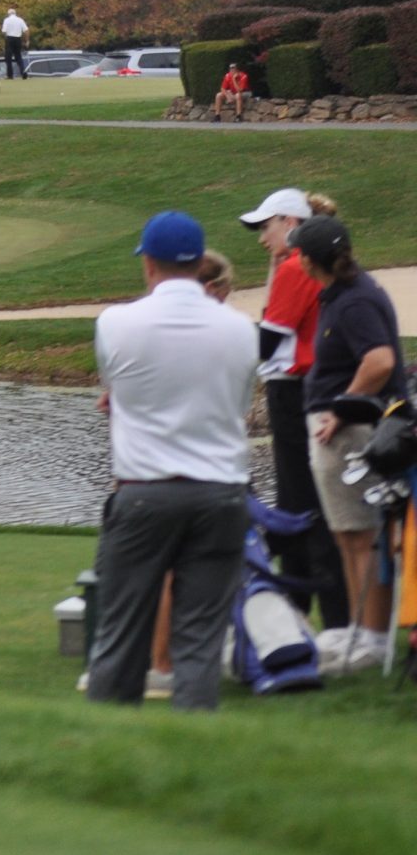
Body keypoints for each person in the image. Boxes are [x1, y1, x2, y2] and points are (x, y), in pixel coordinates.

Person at [86, 211, 258, 710]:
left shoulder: (115, 322)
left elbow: (116, 389)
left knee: (120, 634)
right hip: (221, 494)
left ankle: (103, 752)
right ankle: (192, 748)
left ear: (149, 265)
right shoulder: (242, 330)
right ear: (201, 263)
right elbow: (237, 404)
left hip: (144, 494)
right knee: (199, 641)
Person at [294, 215, 409, 673]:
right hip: (340, 431)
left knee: (364, 536)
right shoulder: (344, 294)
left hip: (353, 432)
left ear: (309, 259)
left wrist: (342, 408)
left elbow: (379, 361)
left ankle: (375, 640)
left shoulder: (355, 300)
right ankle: (361, 629)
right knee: (347, 534)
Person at [245, 188, 351, 632]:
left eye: (266, 227)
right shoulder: (298, 265)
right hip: (309, 388)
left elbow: (267, 342)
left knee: (299, 504)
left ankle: (306, 611)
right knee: (302, 501)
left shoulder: (294, 268)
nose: (260, 238)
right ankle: (307, 609)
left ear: (290, 224)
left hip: (293, 392)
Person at [145, 249, 240, 693]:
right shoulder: (229, 333)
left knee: (179, 569)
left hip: (161, 469)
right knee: (178, 570)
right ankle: (168, 665)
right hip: (197, 471)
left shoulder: (142, 327)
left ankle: (172, 664)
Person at [0, 7, 28, 79]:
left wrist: (6, 38)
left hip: (9, 39)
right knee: (18, 56)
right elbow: (26, 31)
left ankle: (10, 75)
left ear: (8, 14)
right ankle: (23, 72)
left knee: (8, 57)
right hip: (18, 39)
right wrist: (27, 41)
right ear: (15, 13)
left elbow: (4, 31)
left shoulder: (6, 20)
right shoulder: (20, 20)